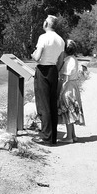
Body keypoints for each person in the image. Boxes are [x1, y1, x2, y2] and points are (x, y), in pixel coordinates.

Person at [31, 15, 65, 145]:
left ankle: (46, 137)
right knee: (52, 104)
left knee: (43, 104)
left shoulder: (43, 37)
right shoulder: (61, 40)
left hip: (43, 70)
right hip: (53, 71)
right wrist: (54, 69)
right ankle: (52, 137)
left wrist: (33, 55)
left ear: (46, 24)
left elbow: (37, 57)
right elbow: (61, 61)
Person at [57, 39, 86, 143]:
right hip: (73, 86)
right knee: (71, 110)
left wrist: (61, 90)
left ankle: (69, 137)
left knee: (68, 110)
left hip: (68, 87)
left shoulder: (68, 60)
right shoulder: (74, 59)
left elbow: (66, 76)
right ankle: (73, 135)